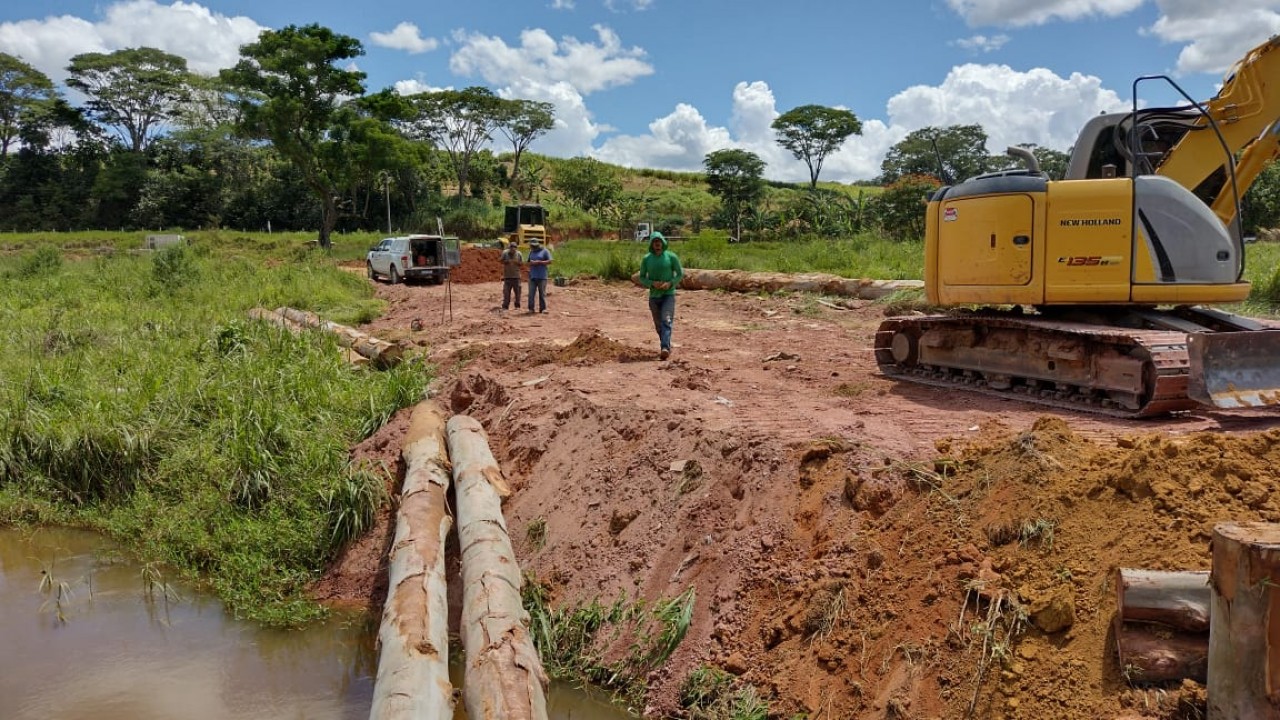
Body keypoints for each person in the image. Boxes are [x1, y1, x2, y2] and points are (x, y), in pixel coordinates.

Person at [637, 231, 683, 360]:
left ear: (663, 242)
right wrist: (652, 283)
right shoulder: (647, 259)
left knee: (666, 321)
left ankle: (665, 348)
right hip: (654, 297)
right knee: (659, 325)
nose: (657, 244)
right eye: (655, 242)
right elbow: (641, 277)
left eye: (659, 241)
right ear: (651, 244)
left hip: (668, 295)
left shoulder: (671, 257)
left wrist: (670, 283)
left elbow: (679, 274)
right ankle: (665, 344)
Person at [526, 238, 553, 313]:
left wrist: (540, 262)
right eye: (531, 246)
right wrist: (531, 263)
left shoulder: (545, 251)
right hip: (532, 276)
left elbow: (550, 261)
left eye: (534, 246)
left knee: (542, 293)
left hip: (542, 276)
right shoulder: (531, 252)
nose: (533, 247)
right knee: (531, 294)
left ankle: (543, 309)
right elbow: (527, 262)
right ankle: (531, 309)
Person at [499, 240, 523, 310]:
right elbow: (500, 261)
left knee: (518, 293)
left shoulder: (519, 254)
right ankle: (505, 306)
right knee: (506, 293)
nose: (513, 250)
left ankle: (517, 306)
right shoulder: (505, 253)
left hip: (516, 276)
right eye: (511, 248)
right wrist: (506, 262)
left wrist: (517, 262)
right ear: (509, 248)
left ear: (516, 248)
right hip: (507, 276)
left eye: (514, 248)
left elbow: (522, 264)